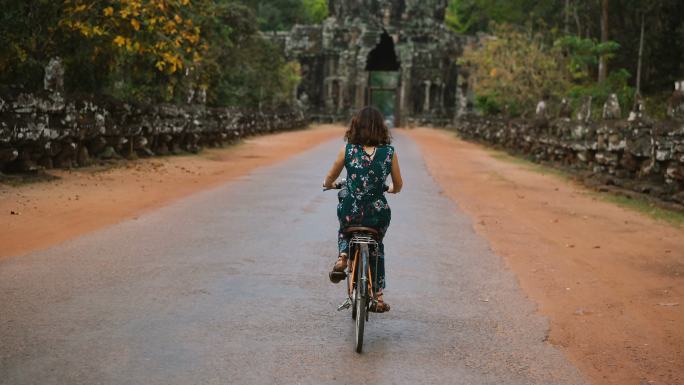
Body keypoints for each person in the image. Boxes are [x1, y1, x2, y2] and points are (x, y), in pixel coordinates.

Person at [322, 106, 403, 313]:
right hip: (377, 213)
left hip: (353, 210)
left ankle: (342, 256)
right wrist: (392, 189)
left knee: (344, 227)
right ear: (381, 129)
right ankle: (377, 296)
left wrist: (329, 184)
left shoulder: (347, 150)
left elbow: (330, 178)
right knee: (377, 245)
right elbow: (398, 184)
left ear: (355, 127)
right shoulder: (389, 153)